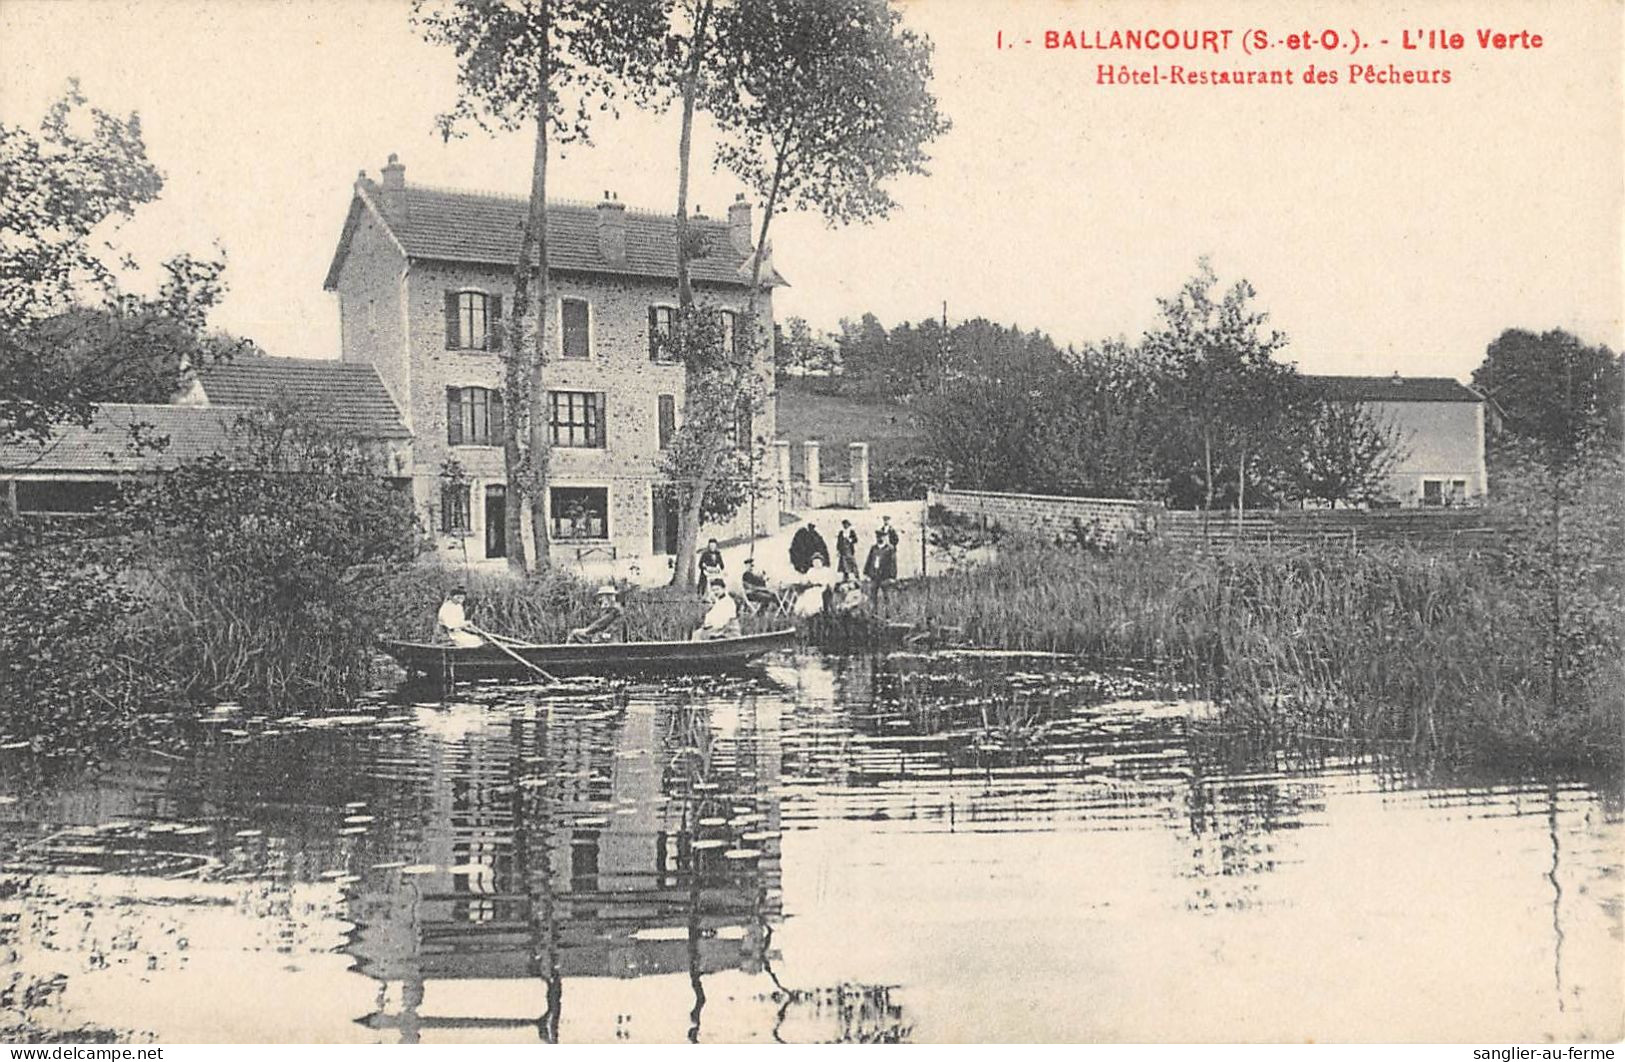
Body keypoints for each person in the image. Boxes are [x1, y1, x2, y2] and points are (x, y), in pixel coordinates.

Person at [864, 527, 898, 595]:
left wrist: (892, 576)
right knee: (872, 595)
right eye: (878, 536)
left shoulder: (889, 549)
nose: (880, 538)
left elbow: (893, 564)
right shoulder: (873, 548)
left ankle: (887, 605)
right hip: (874, 575)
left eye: (882, 536)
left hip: (885, 576)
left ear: (885, 537)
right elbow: (869, 560)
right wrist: (867, 573)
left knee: (887, 596)